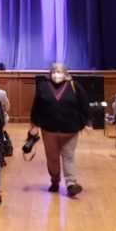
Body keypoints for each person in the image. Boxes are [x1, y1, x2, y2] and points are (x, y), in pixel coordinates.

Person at [28, 62, 91, 197]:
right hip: (49, 129)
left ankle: (71, 184)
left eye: (60, 72)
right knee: (52, 158)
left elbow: (84, 105)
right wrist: (33, 126)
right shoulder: (43, 87)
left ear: (66, 74)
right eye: (54, 72)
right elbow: (36, 108)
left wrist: (88, 123)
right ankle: (55, 181)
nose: (57, 75)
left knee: (68, 156)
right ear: (50, 74)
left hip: (70, 129)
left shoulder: (74, 86)